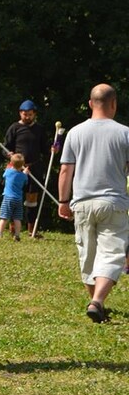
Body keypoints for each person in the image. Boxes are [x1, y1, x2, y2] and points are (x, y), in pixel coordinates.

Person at [57, 83, 129, 323]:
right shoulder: (125, 133)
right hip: (113, 203)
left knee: (87, 254)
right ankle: (97, 301)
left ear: (90, 104)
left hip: (83, 203)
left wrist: (63, 201)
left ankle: (96, 302)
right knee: (111, 254)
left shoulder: (75, 133)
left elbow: (66, 170)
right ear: (114, 104)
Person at [5, 100, 50, 237]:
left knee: (32, 200)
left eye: (30, 114)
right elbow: (6, 147)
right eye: (24, 114)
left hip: (33, 168)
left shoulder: (39, 130)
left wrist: (53, 149)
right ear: (20, 113)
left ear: (34, 114)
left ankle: (32, 230)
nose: (27, 117)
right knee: (14, 197)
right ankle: (13, 229)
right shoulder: (14, 128)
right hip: (16, 169)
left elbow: (45, 149)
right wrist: (9, 154)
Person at [0, 153, 29, 241]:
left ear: (11, 162)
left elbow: (5, 173)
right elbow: (25, 181)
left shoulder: (8, 172)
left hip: (8, 198)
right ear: (22, 164)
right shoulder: (23, 176)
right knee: (17, 218)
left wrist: (11, 159)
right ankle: (17, 235)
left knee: (4, 217)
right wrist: (25, 173)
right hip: (18, 199)